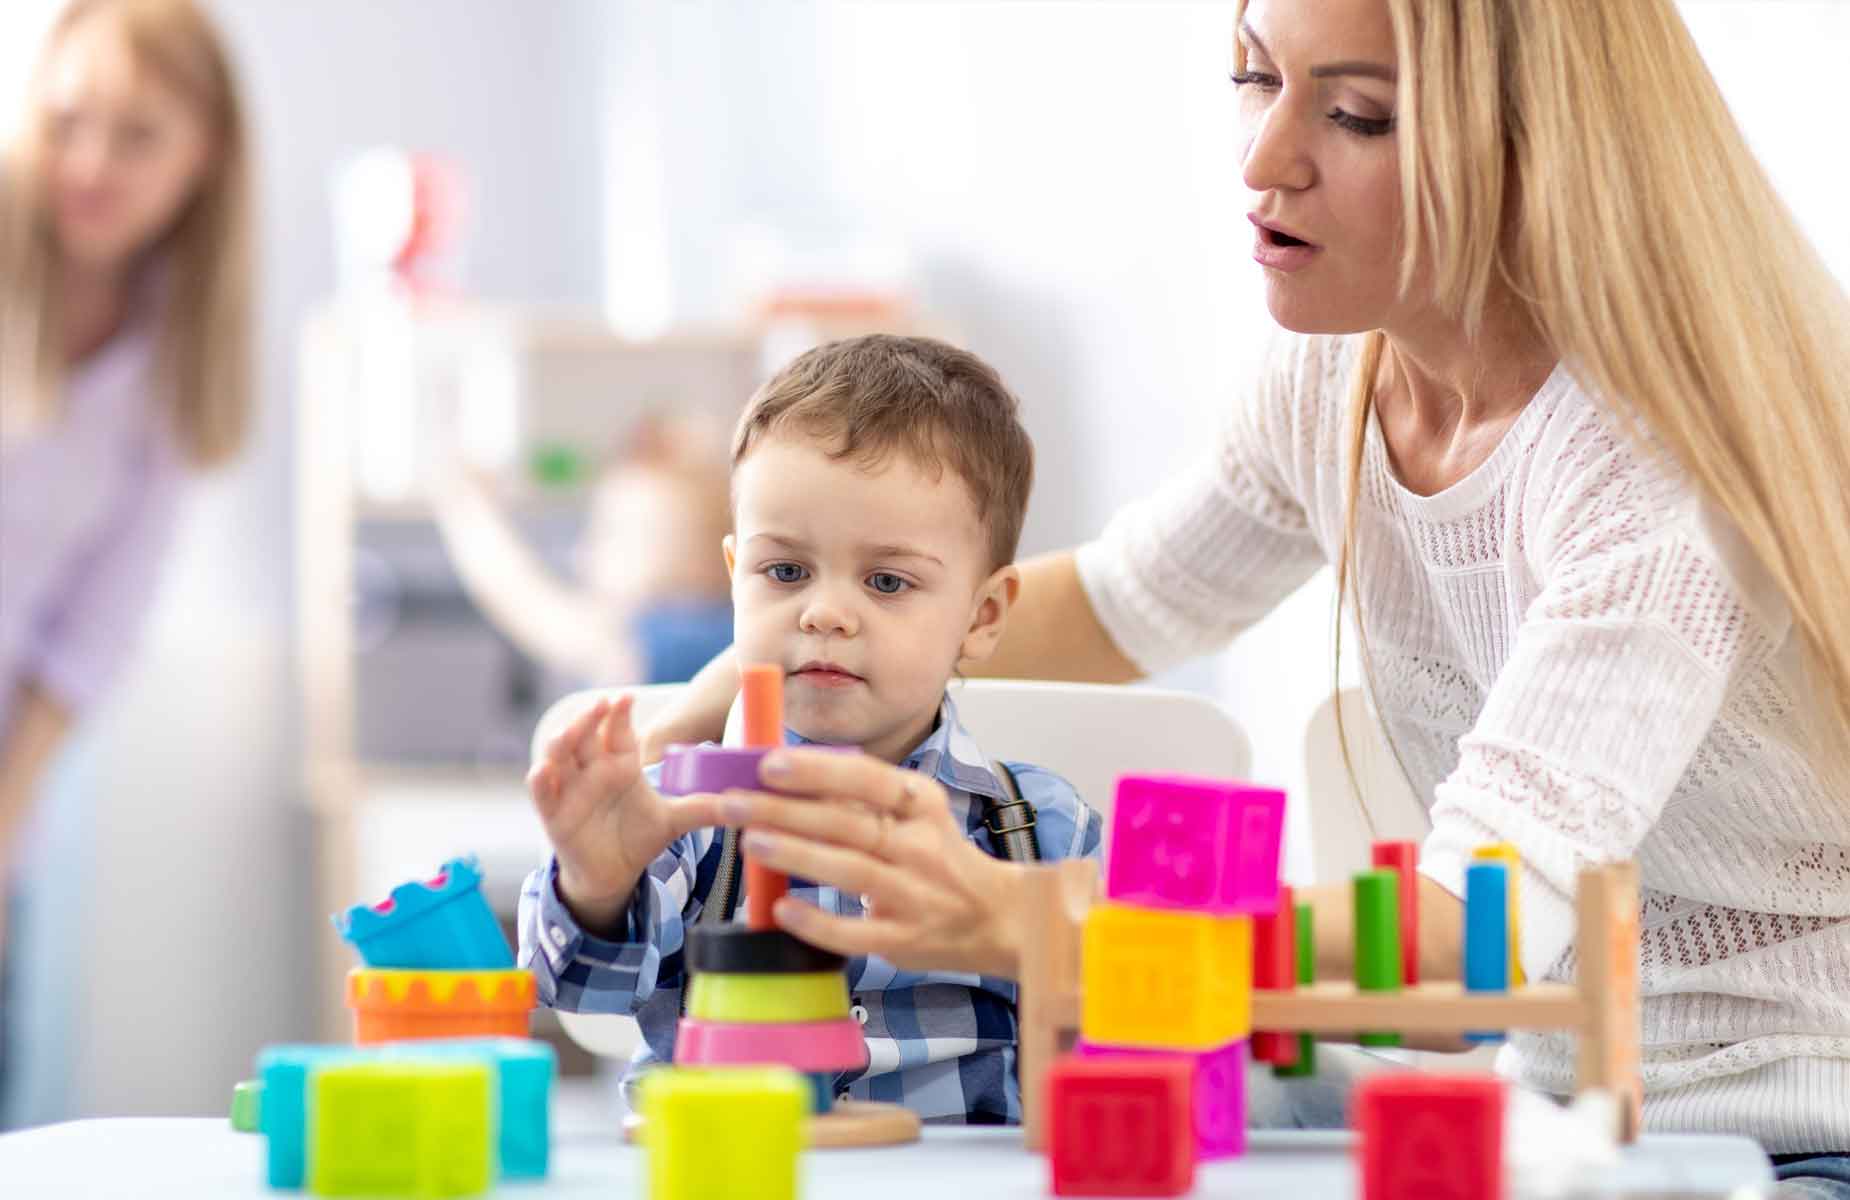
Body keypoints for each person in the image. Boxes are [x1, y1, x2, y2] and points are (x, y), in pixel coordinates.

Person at [634, 0, 1850, 1187]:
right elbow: (1118, 606)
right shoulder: (1332, 376)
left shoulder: (1647, 476)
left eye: (1358, 116)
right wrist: (737, 689)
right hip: (1543, 1112)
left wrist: (1026, 915)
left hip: (1777, 1131)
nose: (1265, 158)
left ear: (1531, 149)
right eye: (1255, 76)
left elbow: (1459, 937)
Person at [516, 335, 1104, 1124]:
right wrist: (594, 882)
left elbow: (1130, 1024)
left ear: (983, 614)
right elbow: (580, 987)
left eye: (888, 581)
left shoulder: (1043, 827)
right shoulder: (681, 814)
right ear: (736, 581)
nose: (823, 612)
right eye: (785, 572)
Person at [0, 0, 253, 1112]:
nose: (90, 163)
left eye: (138, 135)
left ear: (206, 155)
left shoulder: (170, 357)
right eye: (67, 122)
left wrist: (4, 818)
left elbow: (93, 633)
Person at [430, 413, 736, 688]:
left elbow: (527, 604)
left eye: (610, 534)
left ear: (690, 555)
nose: (583, 553)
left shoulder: (674, 638)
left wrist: (464, 505)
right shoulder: (720, 628)